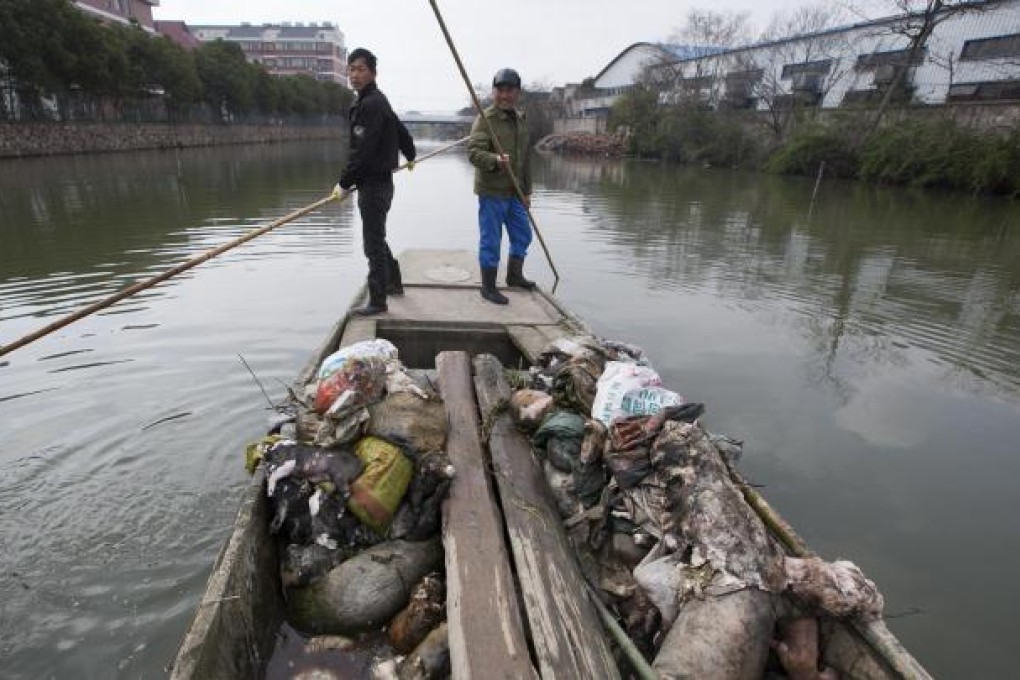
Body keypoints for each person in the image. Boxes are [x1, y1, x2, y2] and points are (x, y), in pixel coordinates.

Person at [333, 47, 416, 316]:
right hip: (380, 183)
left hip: (374, 185)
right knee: (377, 235)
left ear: (373, 72)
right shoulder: (377, 99)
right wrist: (411, 153)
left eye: (361, 69)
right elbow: (400, 129)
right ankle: (394, 282)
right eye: (351, 69)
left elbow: (362, 152)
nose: (354, 75)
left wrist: (344, 183)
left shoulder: (370, 104)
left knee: (372, 242)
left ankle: (378, 300)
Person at [467, 67, 535, 305]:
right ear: (494, 92)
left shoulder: (522, 121)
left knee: (523, 235)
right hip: (492, 192)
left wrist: (527, 192)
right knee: (491, 240)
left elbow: (526, 160)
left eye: (510, 91)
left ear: (518, 93)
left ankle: (515, 276)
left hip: (515, 193)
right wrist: (495, 161)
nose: (505, 95)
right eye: (501, 90)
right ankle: (488, 287)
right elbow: (474, 153)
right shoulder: (485, 120)